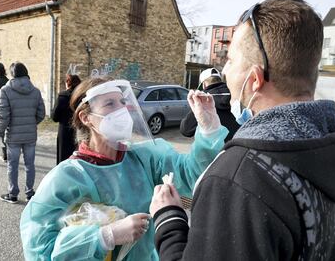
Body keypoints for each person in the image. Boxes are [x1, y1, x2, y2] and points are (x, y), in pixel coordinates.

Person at [150, 0, 335, 260]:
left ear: (255, 79)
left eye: (232, 61)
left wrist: (169, 221)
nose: (224, 71)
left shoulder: (239, 177)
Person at [20, 76, 228, 260]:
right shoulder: (66, 178)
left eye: (123, 101)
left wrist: (208, 128)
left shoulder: (144, 158)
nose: (122, 109)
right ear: (86, 118)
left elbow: (192, 174)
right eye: (110, 104)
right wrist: (105, 236)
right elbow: (39, 249)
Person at [0, 62, 45, 203]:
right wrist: (31, 124)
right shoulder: (35, 91)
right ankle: (30, 193)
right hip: (30, 135)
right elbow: (41, 114)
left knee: (12, 165)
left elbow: (2, 116)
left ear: (12, 74)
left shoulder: (5, 90)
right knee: (30, 165)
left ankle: (13, 194)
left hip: (13, 136)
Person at [180, 68, 239, 142]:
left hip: (216, 150)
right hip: (238, 146)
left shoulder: (204, 100)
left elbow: (186, 130)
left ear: (204, 85)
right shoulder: (236, 95)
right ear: (220, 80)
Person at [51, 74, 81, 164]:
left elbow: (54, 117)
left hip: (64, 131)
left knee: (63, 158)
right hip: (79, 130)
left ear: (68, 83)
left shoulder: (62, 97)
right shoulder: (82, 97)